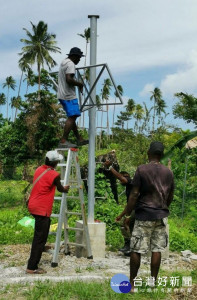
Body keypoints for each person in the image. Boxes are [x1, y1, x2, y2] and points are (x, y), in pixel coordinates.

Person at [123, 141, 174, 292]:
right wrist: (163, 207)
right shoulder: (168, 172)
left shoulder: (142, 169)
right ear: (162, 155)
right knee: (156, 250)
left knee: (136, 249)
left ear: (149, 153)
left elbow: (134, 194)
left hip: (144, 215)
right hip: (161, 215)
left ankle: (132, 285)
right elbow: (170, 195)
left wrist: (127, 213)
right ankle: (153, 284)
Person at [26, 150, 70, 274]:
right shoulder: (54, 175)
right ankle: (32, 267)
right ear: (55, 162)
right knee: (39, 238)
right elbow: (61, 189)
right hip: (41, 208)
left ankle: (41, 247)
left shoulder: (39, 169)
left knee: (42, 231)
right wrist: (65, 188)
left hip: (33, 205)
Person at [57, 47, 89, 148]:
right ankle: (63, 140)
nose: (79, 60)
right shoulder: (71, 64)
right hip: (68, 96)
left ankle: (79, 138)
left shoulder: (64, 62)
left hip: (62, 94)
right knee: (72, 117)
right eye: (79, 57)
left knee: (72, 116)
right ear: (74, 56)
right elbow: (69, 79)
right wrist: (80, 84)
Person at [104, 160, 135, 255]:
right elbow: (129, 204)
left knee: (129, 224)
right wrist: (121, 215)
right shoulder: (128, 188)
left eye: (124, 177)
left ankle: (131, 247)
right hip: (134, 208)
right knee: (124, 224)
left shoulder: (131, 182)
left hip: (140, 208)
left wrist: (110, 168)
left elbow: (122, 179)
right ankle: (128, 245)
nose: (121, 181)